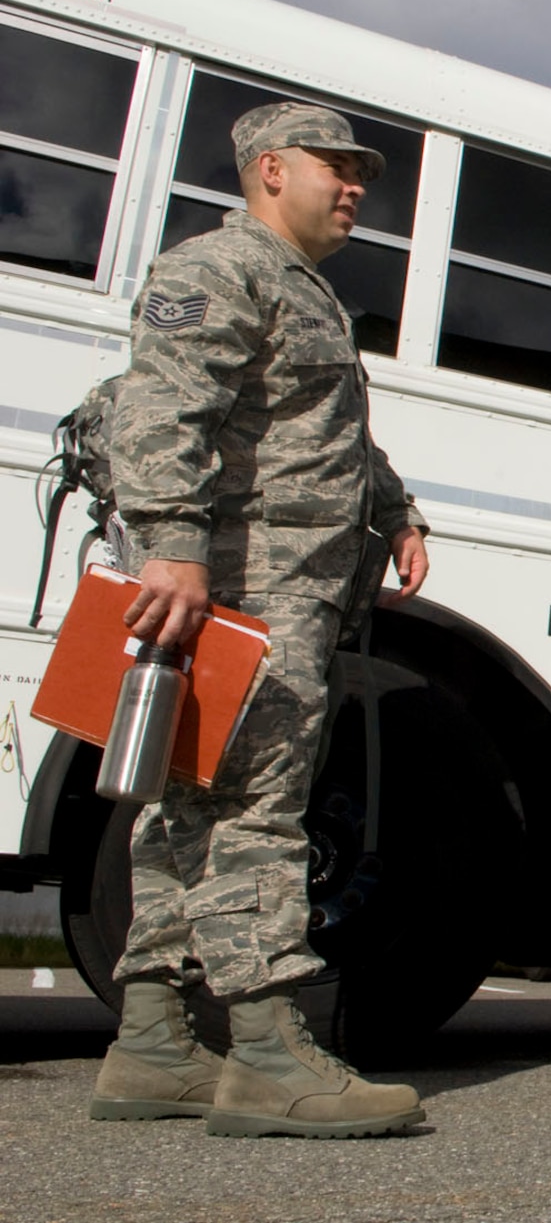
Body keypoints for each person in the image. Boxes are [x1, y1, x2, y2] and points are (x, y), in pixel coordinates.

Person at [89, 103, 430, 1138]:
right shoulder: (219, 266)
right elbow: (163, 405)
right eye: (338, 165)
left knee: (189, 800)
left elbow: (325, 432)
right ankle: (270, 1051)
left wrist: (395, 510)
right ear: (270, 170)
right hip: (249, 578)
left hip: (289, 575)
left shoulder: (306, 293)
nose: (357, 184)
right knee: (257, 807)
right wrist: (176, 547)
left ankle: (151, 1041)